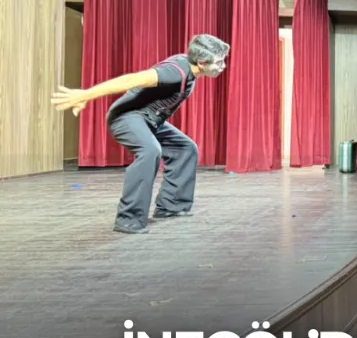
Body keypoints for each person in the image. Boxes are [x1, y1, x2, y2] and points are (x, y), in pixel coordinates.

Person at [51, 35, 230, 234]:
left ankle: (171, 206)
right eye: (219, 62)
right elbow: (131, 79)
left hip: (150, 120)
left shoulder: (189, 69)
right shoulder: (174, 72)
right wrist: (85, 95)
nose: (223, 66)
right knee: (150, 151)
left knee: (185, 149)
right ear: (202, 62)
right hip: (127, 117)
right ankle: (128, 219)